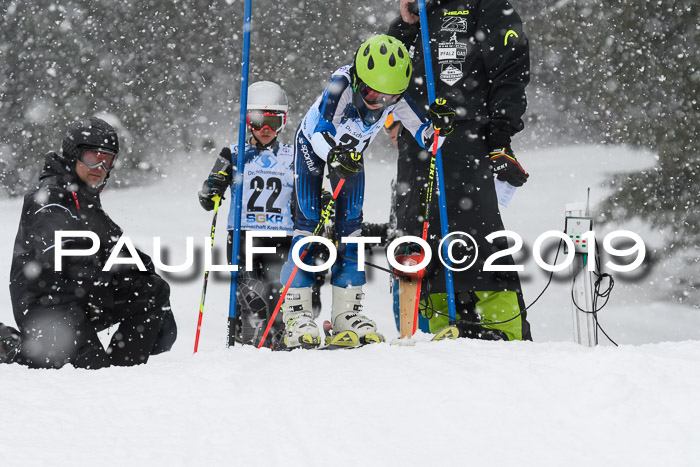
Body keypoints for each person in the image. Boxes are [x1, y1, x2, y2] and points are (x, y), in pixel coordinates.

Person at [278, 34, 454, 348]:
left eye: (388, 96)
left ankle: (348, 313)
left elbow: (428, 137)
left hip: (351, 158)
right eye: (372, 92)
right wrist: (333, 156)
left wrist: (440, 125)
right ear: (359, 80)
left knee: (352, 231)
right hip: (314, 151)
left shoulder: (396, 99)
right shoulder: (340, 85)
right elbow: (320, 131)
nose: (378, 101)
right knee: (308, 225)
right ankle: (297, 314)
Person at [387, 0, 533, 341]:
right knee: (422, 246)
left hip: (467, 142)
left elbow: (511, 69)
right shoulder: (419, 13)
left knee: (478, 242)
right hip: (418, 149)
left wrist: (500, 136)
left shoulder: (485, 6)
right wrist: (406, 25)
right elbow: (387, 76)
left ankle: (506, 335)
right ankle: (442, 336)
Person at [8, 117, 177, 369]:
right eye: (91, 157)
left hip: (81, 298)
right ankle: (14, 347)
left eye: (106, 159)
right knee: (91, 372)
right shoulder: (49, 197)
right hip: (46, 307)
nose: (99, 166)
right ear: (73, 155)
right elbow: (61, 254)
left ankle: (123, 374)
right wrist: (104, 275)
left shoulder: (85, 198)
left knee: (152, 290)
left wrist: (144, 276)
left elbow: (116, 246)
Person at [199, 81, 297, 349]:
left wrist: (321, 200)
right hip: (243, 236)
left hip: (281, 237)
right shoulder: (233, 153)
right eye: (257, 121)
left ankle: (280, 343)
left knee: (278, 294)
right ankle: (249, 344)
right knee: (251, 295)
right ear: (247, 121)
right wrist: (213, 189)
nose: (265, 130)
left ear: (283, 122)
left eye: (273, 123)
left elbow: (308, 192)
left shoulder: (292, 156)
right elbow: (209, 193)